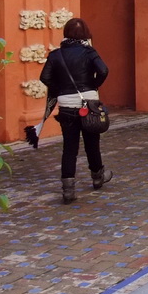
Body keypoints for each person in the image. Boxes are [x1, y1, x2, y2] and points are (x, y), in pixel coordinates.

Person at [39, 18, 113, 204]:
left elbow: (44, 77)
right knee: (92, 143)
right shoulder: (89, 52)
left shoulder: (56, 55)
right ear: (85, 34)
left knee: (69, 147)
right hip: (89, 104)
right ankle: (98, 177)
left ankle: (68, 189)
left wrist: (61, 89)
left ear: (66, 33)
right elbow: (103, 70)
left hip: (66, 105)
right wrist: (92, 86)